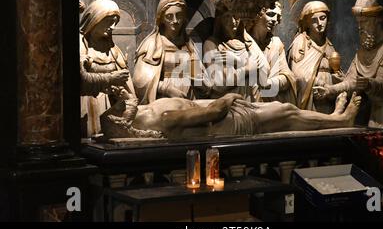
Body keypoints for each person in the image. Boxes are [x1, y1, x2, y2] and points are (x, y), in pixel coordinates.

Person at [100, 87, 361, 140]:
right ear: (126, 120)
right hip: (230, 122)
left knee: (287, 111)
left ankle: (332, 118)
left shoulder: (151, 108)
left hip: (228, 114)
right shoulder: (164, 119)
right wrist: (228, 96)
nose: (120, 101)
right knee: (287, 112)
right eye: (119, 108)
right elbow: (211, 113)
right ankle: (340, 120)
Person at [314, 0, 383, 129]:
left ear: (377, 21)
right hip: (373, 117)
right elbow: (351, 81)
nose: (360, 27)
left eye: (364, 22)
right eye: (358, 23)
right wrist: (330, 89)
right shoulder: (362, 52)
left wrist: (369, 84)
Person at [133, 0, 210, 104]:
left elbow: (203, 82)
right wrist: (166, 89)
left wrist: (197, 77)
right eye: (169, 16)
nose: (175, 20)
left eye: (179, 15)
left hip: (189, 98)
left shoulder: (189, 45)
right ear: (161, 19)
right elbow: (140, 80)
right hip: (164, 100)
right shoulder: (152, 44)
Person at [79, 0, 135, 137]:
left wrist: (123, 95)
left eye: (115, 22)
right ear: (95, 19)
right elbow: (79, 81)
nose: (113, 27)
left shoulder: (113, 50)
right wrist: (110, 79)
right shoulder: (80, 45)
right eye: (109, 22)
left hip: (110, 107)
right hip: (86, 105)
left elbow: (128, 89)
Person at [203, 10, 270, 102]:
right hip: (230, 105)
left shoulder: (247, 42)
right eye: (227, 17)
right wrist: (246, 69)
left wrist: (238, 61)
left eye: (236, 16)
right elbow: (218, 84)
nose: (233, 22)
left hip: (253, 99)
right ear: (219, 20)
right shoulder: (211, 44)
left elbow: (265, 70)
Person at [288, 1, 343, 113]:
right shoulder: (301, 42)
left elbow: (334, 71)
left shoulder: (329, 46)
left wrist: (338, 79)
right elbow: (298, 74)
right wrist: (321, 84)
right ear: (307, 23)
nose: (319, 23)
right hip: (311, 98)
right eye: (314, 20)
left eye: (323, 18)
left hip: (328, 98)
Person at [248, 2, 297, 104]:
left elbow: (288, 77)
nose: (275, 20)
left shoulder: (276, 43)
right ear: (258, 15)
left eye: (277, 16)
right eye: (270, 14)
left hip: (271, 101)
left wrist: (269, 83)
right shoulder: (245, 42)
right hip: (249, 99)